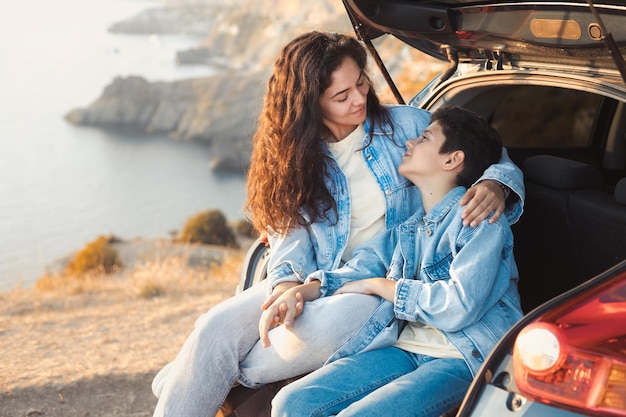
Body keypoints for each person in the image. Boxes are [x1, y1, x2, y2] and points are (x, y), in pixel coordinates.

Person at [151, 31, 525, 417]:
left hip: (378, 295)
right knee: (215, 328)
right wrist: (291, 288)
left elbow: (483, 151)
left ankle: (202, 374)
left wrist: (496, 183)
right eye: (341, 96)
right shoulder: (295, 157)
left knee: (293, 336)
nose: (360, 99)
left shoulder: (408, 129)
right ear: (310, 104)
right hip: (326, 278)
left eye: (361, 83)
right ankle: (198, 373)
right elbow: (288, 239)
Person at [271, 106, 524, 417]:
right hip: (407, 348)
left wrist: (381, 285)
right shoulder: (409, 228)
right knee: (291, 402)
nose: (410, 143)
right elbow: (358, 268)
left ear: (452, 159)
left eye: (424, 138)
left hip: (465, 356)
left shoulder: (480, 220)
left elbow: (459, 305)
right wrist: (299, 291)